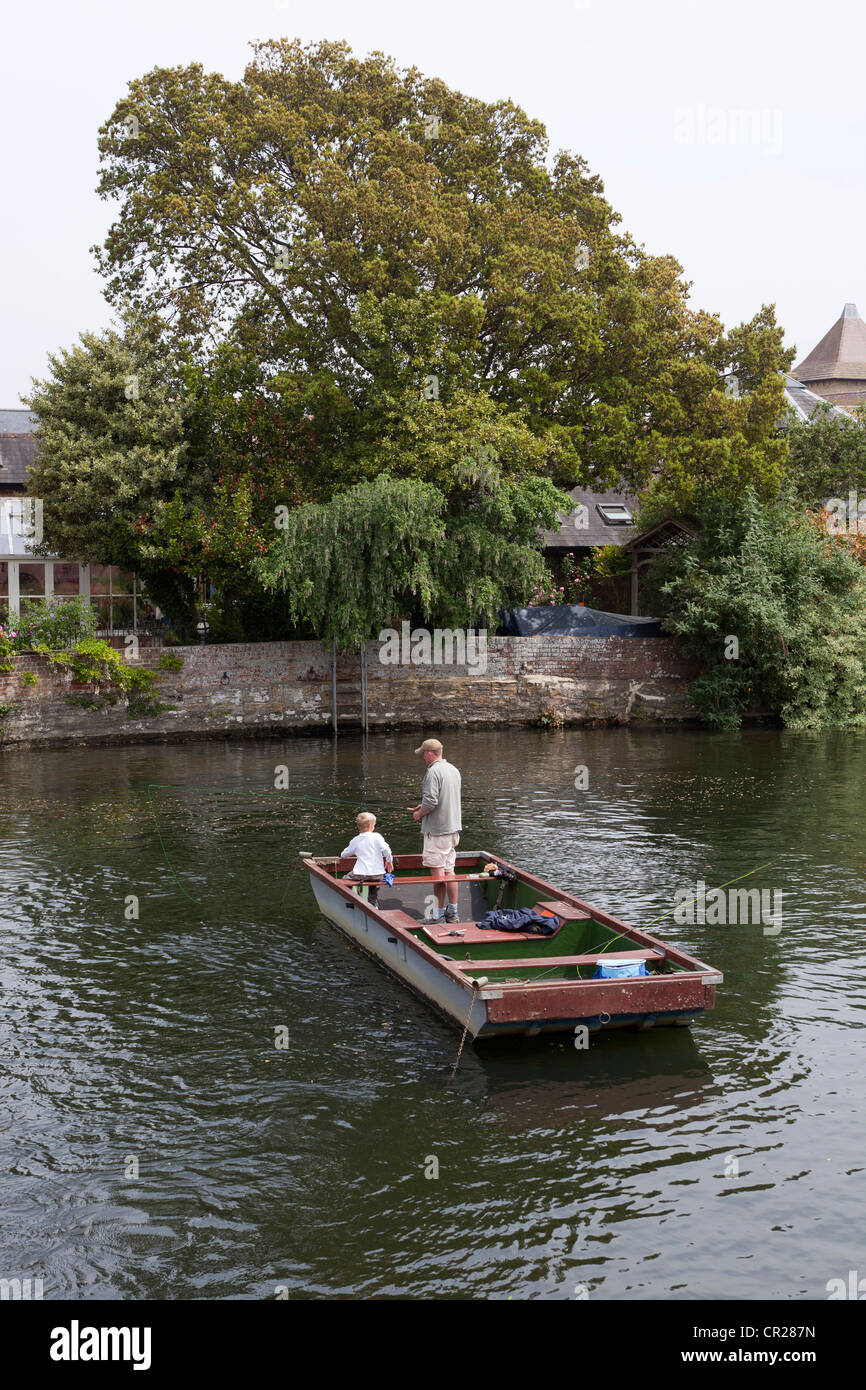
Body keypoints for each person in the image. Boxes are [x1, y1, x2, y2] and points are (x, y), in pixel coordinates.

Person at [409, 738, 462, 924]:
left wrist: (419, 814)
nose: (423, 757)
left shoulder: (433, 772)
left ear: (429, 753)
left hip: (437, 831)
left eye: (424, 753)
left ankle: (437, 915)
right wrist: (422, 806)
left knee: (438, 873)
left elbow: (431, 802)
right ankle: (453, 913)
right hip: (453, 831)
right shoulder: (453, 770)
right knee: (450, 872)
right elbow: (444, 798)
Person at [341, 812, 393, 907]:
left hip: (360, 874)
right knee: (373, 885)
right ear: (370, 826)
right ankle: (372, 905)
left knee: (345, 879)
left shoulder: (356, 840)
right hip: (378, 874)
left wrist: (345, 851)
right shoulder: (377, 836)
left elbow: (344, 855)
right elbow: (386, 849)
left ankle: (353, 899)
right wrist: (389, 861)